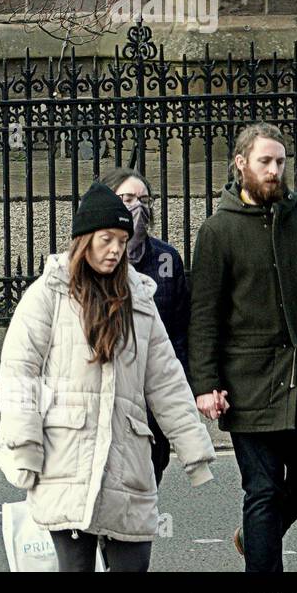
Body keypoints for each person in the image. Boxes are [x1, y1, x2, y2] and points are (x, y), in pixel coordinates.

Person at [0, 181, 215, 571]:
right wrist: (25, 444)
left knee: (133, 565)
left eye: (122, 240)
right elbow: (19, 372)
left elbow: (165, 380)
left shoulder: (139, 300)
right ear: (84, 240)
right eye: (106, 239)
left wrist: (194, 450)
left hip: (127, 460)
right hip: (65, 460)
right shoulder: (48, 294)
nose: (116, 249)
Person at [188, 123, 297, 572]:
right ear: (241, 164)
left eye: (280, 162)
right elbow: (204, 316)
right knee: (263, 489)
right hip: (249, 384)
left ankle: (253, 535)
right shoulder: (218, 231)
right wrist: (206, 384)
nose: (275, 170)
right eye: (265, 162)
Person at [99, 167, 190, 485]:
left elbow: (180, 334)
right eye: (126, 198)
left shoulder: (166, 259)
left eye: (144, 199)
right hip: (101, 405)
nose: (137, 206)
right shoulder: (87, 261)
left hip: (151, 404)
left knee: (144, 493)